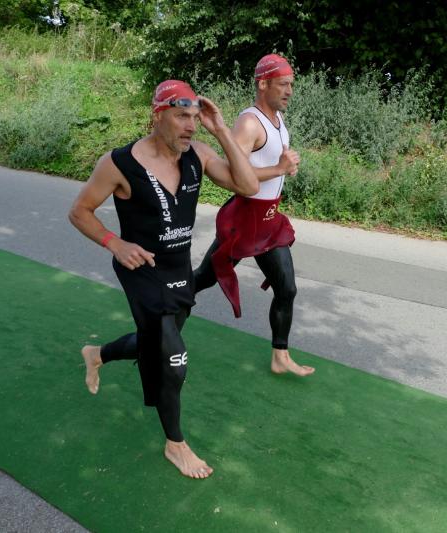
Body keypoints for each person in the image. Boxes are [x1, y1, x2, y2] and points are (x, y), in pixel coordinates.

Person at [68, 80, 258, 479]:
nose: (190, 126)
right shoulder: (118, 163)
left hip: (178, 270)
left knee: (153, 343)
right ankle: (176, 445)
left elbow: (248, 185)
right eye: (181, 116)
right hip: (141, 272)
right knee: (174, 360)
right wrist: (115, 243)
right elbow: (80, 211)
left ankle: (97, 354)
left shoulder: (198, 154)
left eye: (195, 118)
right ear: (157, 116)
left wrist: (221, 130)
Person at [193, 54, 314, 377]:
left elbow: (271, 166)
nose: (289, 91)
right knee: (203, 279)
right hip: (246, 220)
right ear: (263, 84)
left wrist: (285, 167)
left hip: (269, 220)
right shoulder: (249, 122)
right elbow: (237, 175)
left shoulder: (277, 119)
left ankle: (280, 356)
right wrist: (279, 168)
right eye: (283, 84)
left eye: (291, 85)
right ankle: (163, 311)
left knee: (286, 289)